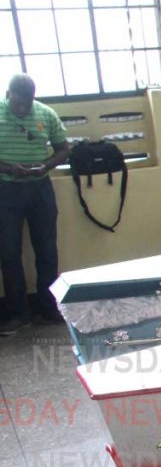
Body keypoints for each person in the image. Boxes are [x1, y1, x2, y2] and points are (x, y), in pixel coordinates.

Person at [0, 74, 68, 334]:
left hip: (40, 188)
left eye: (26, 104)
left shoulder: (45, 113)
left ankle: (49, 308)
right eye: (17, 104)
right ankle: (18, 313)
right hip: (6, 189)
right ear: (8, 95)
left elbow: (64, 149)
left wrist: (46, 165)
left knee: (47, 249)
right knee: (9, 253)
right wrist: (8, 167)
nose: (21, 109)